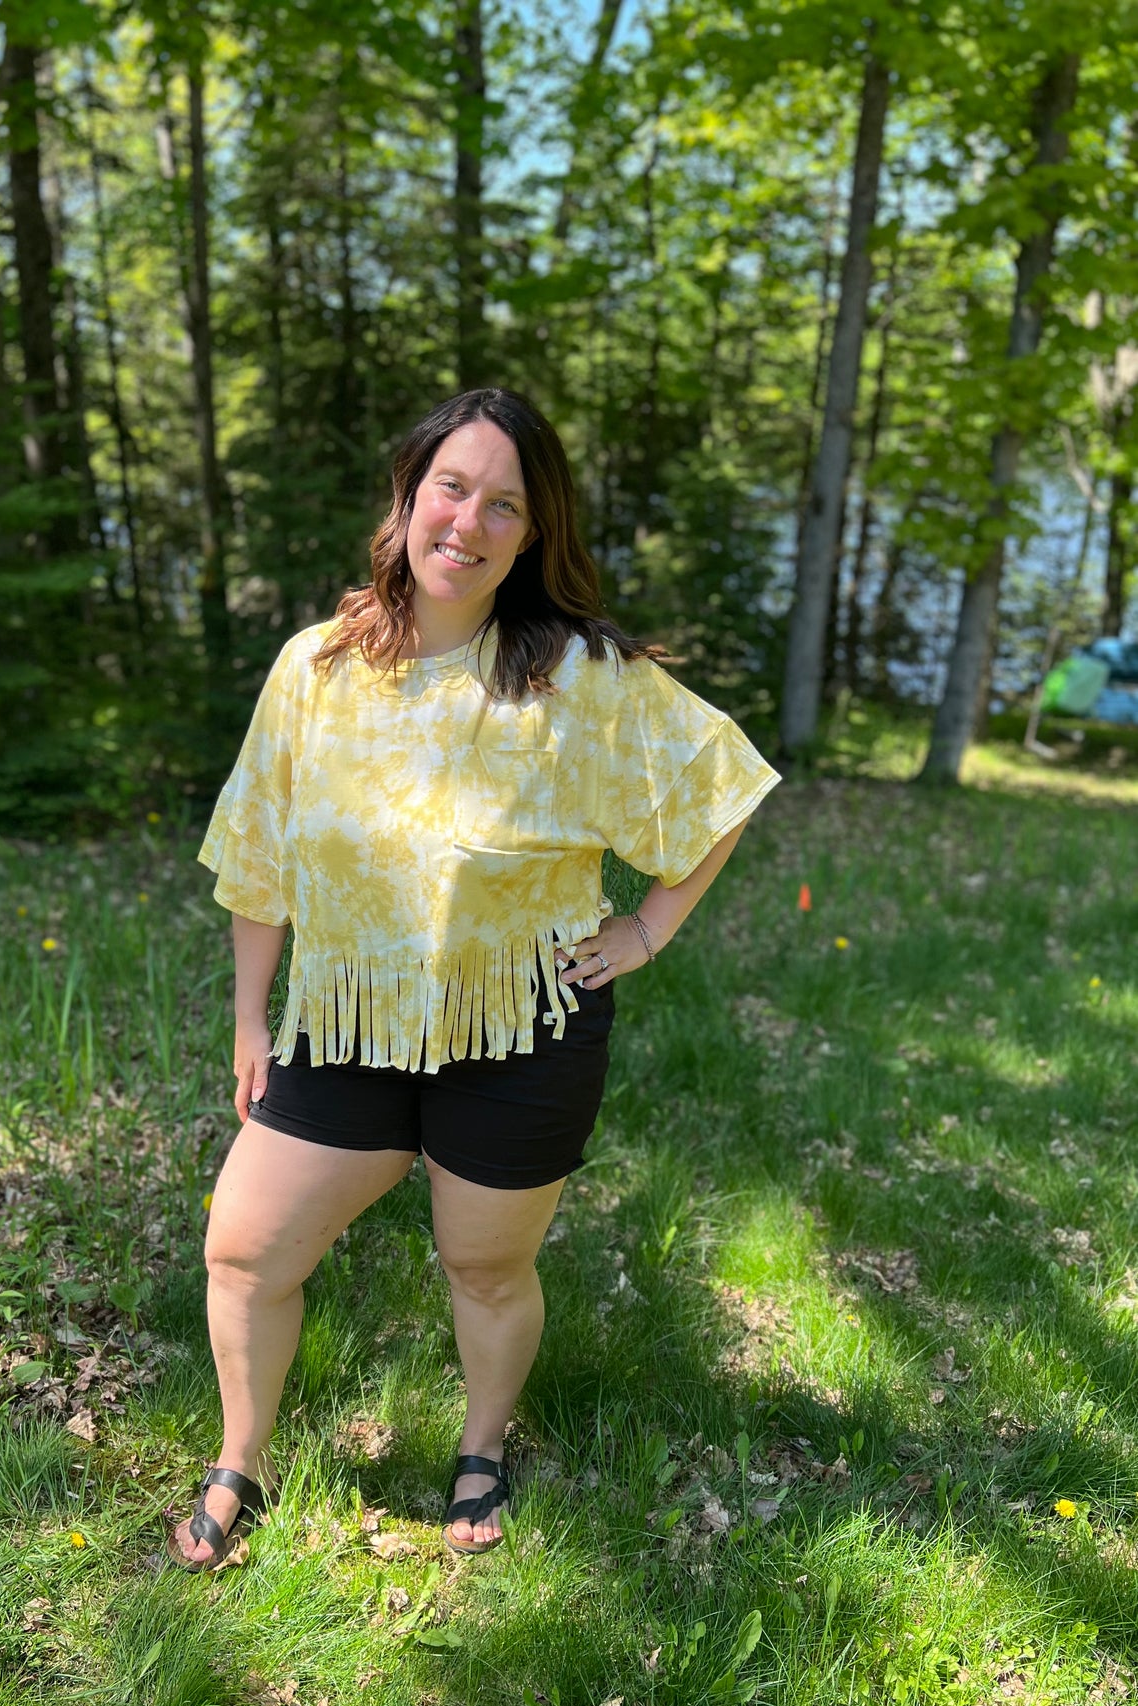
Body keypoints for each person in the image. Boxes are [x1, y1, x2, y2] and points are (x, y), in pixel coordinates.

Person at [168, 387, 780, 1569]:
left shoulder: (576, 676)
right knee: (242, 1248)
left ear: (530, 535)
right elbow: (257, 851)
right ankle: (241, 1453)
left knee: (483, 1265)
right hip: (344, 1022)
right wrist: (251, 1012)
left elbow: (720, 782)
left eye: (505, 504)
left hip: (520, 1032)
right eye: (451, 487)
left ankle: (481, 1445)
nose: (470, 520)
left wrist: (646, 930)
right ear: (406, 500)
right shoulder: (317, 669)